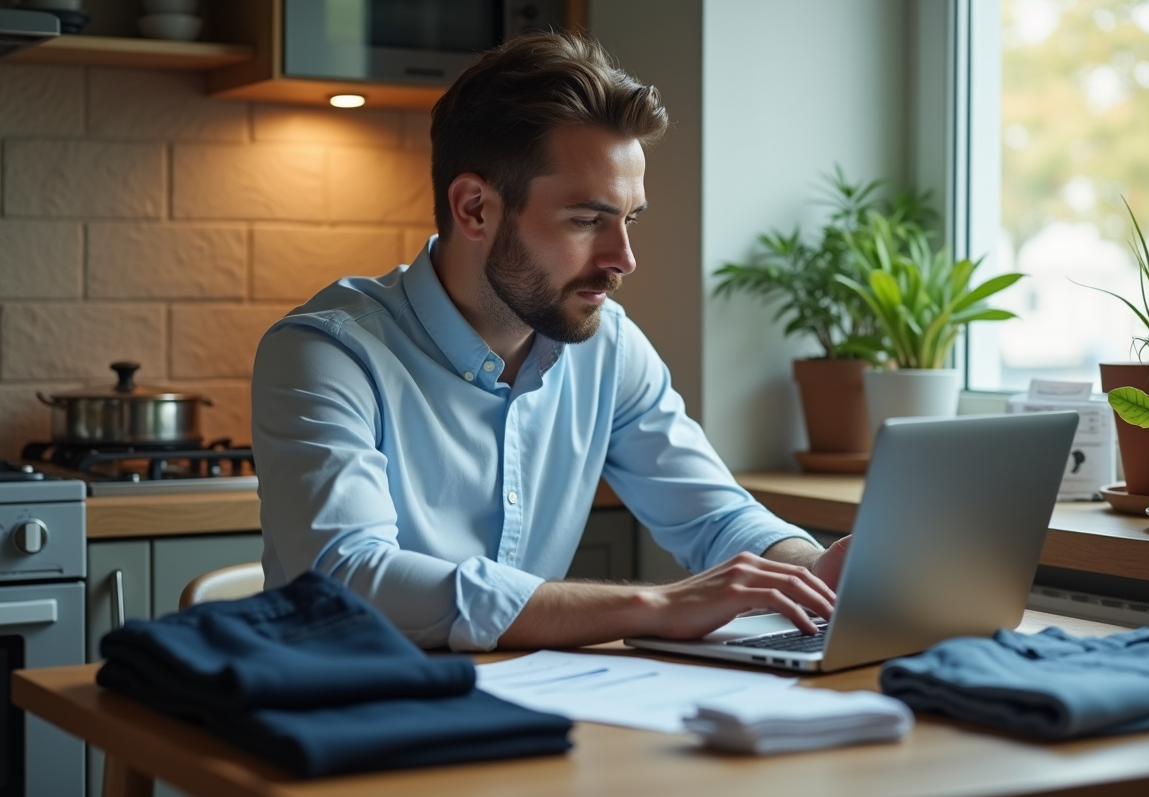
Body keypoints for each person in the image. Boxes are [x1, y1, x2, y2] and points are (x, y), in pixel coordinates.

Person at [252, 30, 850, 652]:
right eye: (587, 220)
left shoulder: (608, 348)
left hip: (532, 710)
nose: (623, 259)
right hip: (347, 717)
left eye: (629, 219)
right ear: (475, 209)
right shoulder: (327, 354)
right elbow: (351, 579)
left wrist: (814, 572)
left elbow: (717, 515)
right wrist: (653, 605)